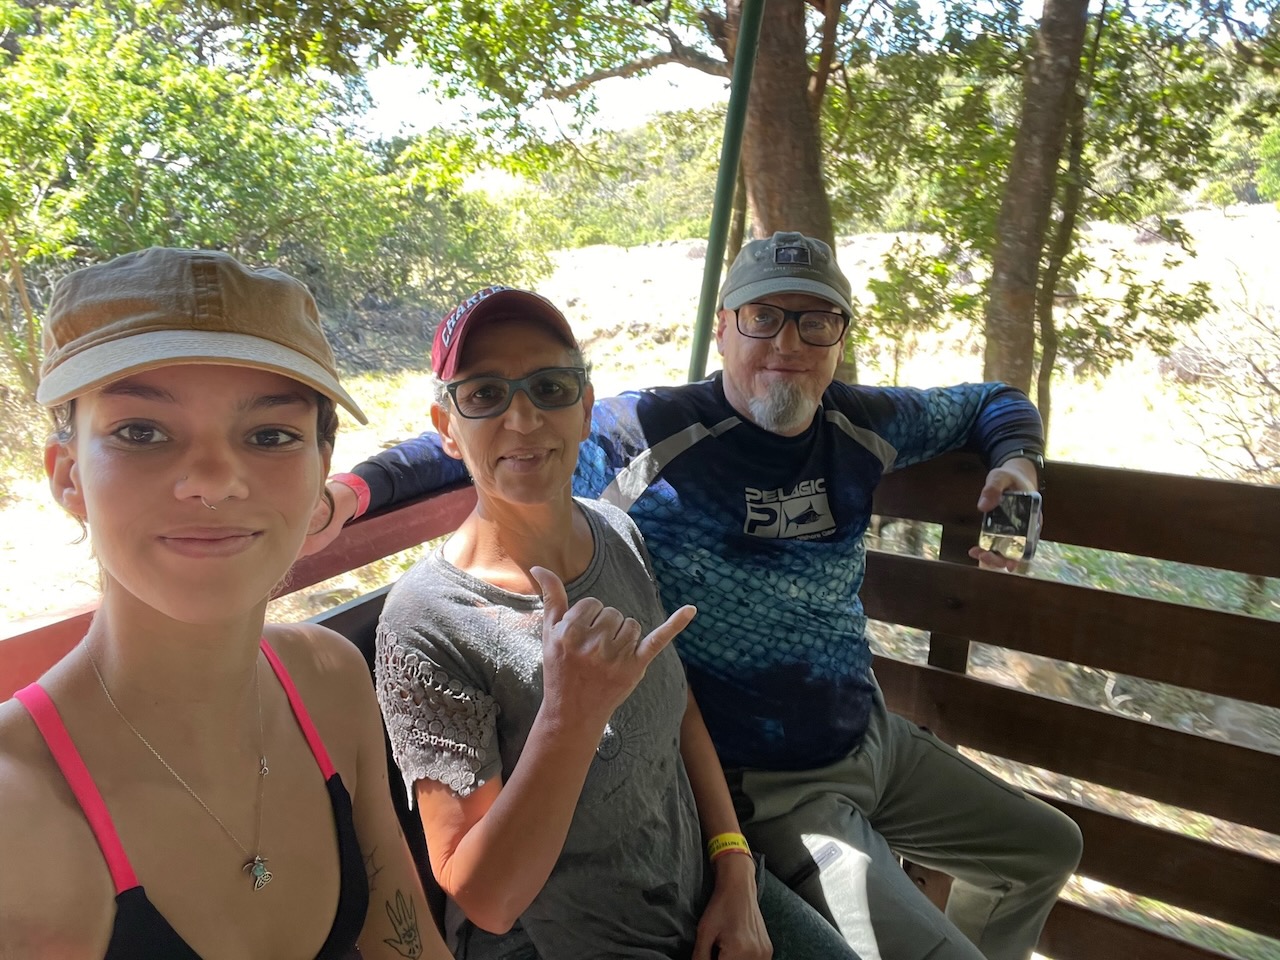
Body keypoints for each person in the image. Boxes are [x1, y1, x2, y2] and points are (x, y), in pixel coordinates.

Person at [309, 233, 1084, 960]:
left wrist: (1017, 464)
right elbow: (487, 437)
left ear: (839, 337)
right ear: (722, 329)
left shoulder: (861, 422)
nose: (787, 343)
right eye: (763, 317)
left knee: (1047, 848)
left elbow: (994, 401)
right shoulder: (647, 430)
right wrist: (351, 492)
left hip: (865, 737)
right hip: (771, 789)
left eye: (815, 322)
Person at [373, 287, 865, 960]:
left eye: (549, 388)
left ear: (583, 409)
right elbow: (483, 897)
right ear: (447, 426)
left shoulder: (615, 530)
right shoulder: (426, 621)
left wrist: (734, 865)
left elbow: (677, 702)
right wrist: (567, 718)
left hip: (700, 896)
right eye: (484, 394)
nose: (523, 418)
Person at [0, 248, 452, 960]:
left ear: (320, 474)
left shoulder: (330, 683)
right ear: (67, 476)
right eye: (141, 432)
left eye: (270, 436)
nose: (213, 480)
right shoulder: (15, 810)